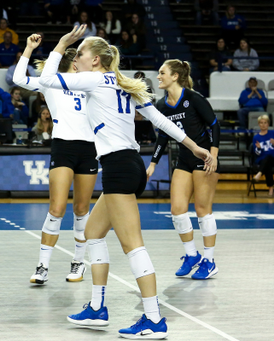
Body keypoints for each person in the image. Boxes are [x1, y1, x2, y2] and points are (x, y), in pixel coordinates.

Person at [39, 26, 213, 339]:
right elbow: (160, 121)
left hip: (120, 166)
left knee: (133, 246)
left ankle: (154, 319)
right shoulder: (122, 82)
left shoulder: (95, 79)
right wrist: (194, 145)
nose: (75, 58)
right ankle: (96, 308)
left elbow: (47, 79)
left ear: (95, 61)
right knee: (92, 233)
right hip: (126, 165)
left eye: (80, 54)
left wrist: (62, 43)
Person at [14, 34, 97, 283]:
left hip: (89, 148)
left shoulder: (90, 84)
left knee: (82, 210)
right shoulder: (51, 83)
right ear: (73, 63)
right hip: (63, 148)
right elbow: (18, 79)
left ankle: (78, 263)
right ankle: (42, 266)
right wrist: (29, 48)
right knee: (57, 208)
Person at [146, 59, 220, 283]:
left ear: (175, 76)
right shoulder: (160, 105)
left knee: (202, 210)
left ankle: (210, 261)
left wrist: (214, 156)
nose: (159, 76)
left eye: (162, 73)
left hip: (205, 157)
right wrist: (153, 163)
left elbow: (214, 125)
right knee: (177, 210)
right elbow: (164, 136)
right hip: (184, 159)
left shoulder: (194, 98)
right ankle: (191, 255)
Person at [252, 115, 274, 196]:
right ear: (259, 124)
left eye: (265, 123)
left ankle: (259, 174)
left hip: (273, 158)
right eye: (261, 123)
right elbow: (257, 154)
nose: (263, 125)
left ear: (268, 124)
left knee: (268, 158)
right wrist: (259, 148)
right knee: (266, 163)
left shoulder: (273, 133)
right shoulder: (256, 137)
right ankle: (271, 189)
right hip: (262, 159)